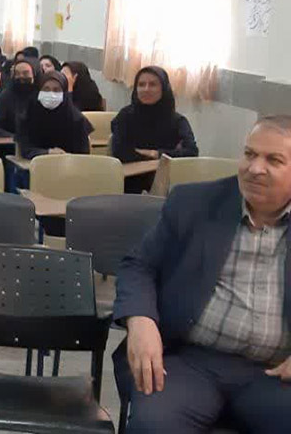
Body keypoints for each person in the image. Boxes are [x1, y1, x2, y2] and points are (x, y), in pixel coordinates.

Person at [113, 115, 291, 433]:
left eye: (273, 160)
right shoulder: (194, 203)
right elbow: (139, 265)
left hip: (273, 373)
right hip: (188, 361)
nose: (255, 168)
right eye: (249, 154)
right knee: (154, 426)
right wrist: (140, 320)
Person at [111, 66, 199, 193]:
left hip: (166, 182)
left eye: (152, 85)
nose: (146, 89)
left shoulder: (177, 121)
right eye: (141, 85)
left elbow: (191, 152)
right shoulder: (125, 116)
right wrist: (168, 155)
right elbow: (120, 152)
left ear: (163, 88)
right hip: (129, 181)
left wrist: (155, 153)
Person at [15, 71, 92, 159]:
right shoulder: (27, 116)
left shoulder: (77, 119)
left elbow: (83, 154)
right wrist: (48, 153)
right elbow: (25, 150)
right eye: (46, 89)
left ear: (64, 93)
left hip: (69, 165)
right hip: (34, 164)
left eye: (56, 90)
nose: (51, 93)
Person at [0, 57, 40, 137]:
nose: (21, 76)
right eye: (17, 73)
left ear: (35, 74)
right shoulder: (7, 95)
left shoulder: (42, 94)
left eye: (25, 73)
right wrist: (16, 138)